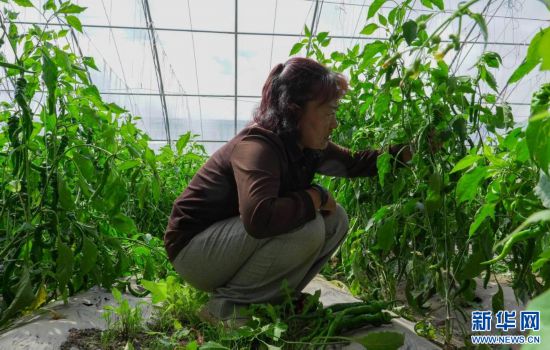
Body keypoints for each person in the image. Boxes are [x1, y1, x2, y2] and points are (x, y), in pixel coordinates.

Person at [164, 57, 412, 326]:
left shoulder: (305, 145)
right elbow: (260, 217)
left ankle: (274, 299)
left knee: (335, 219)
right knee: (310, 225)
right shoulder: (257, 147)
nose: (335, 124)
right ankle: (224, 308)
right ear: (294, 111)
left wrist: (411, 150)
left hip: (228, 245)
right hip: (194, 252)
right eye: (328, 112)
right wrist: (316, 197)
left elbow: (355, 163)